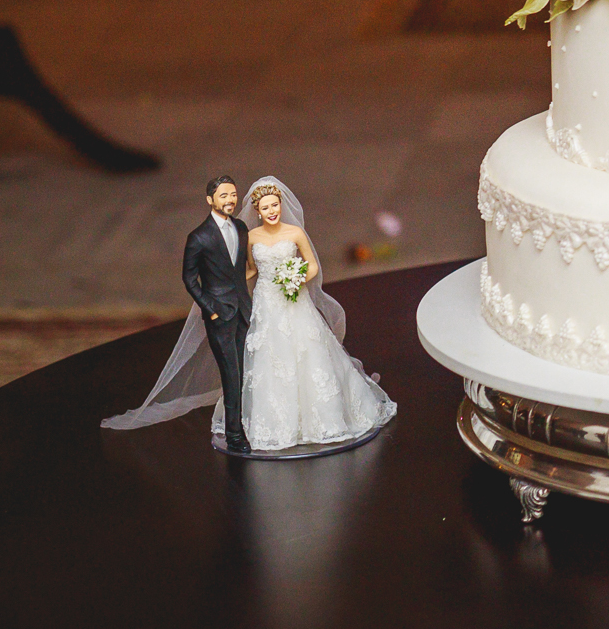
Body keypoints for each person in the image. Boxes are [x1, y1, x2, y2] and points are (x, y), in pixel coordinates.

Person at [228, 177, 396, 453]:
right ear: (257, 210)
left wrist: (296, 279)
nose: (271, 211)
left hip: (293, 299)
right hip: (267, 300)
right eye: (266, 207)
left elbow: (313, 266)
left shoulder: (294, 233)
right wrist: (229, 282)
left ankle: (323, 418)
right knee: (270, 353)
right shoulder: (253, 238)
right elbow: (251, 269)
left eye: (275, 205)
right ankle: (275, 423)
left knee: (308, 349)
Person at [107, 175, 254, 453]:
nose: (231, 200)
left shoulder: (242, 227)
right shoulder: (199, 237)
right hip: (219, 314)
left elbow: (242, 269)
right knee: (231, 376)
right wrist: (210, 309)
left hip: (243, 309)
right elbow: (189, 279)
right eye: (224, 195)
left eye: (233, 194)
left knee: (246, 372)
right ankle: (235, 435)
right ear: (210, 200)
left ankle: (246, 423)